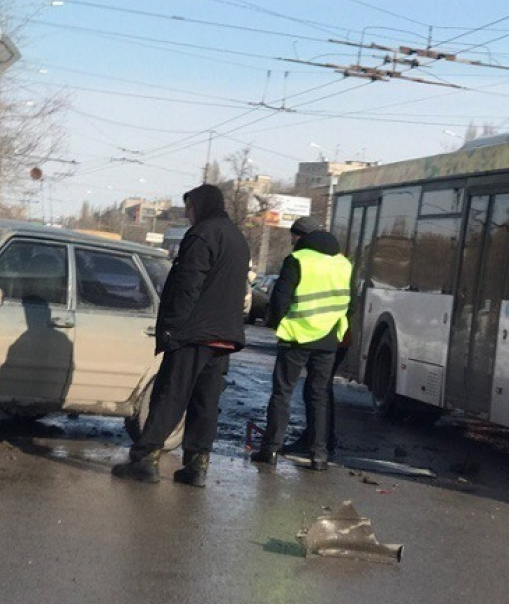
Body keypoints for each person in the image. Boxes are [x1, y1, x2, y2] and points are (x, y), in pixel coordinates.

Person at [112, 184, 250, 487]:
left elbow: (186, 285)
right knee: (205, 401)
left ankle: (145, 458)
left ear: (199, 206)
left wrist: (172, 326)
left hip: (194, 332)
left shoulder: (202, 234)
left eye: (189, 209)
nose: (188, 215)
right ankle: (196, 466)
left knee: (170, 393)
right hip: (223, 335)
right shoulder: (237, 238)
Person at [251, 215, 352, 471]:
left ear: (300, 237)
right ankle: (319, 454)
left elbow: (281, 299)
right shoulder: (343, 263)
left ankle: (270, 449)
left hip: (296, 336)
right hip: (328, 338)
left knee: (282, 393)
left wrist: (276, 323)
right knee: (318, 395)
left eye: (293, 238)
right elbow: (349, 301)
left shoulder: (298, 259)